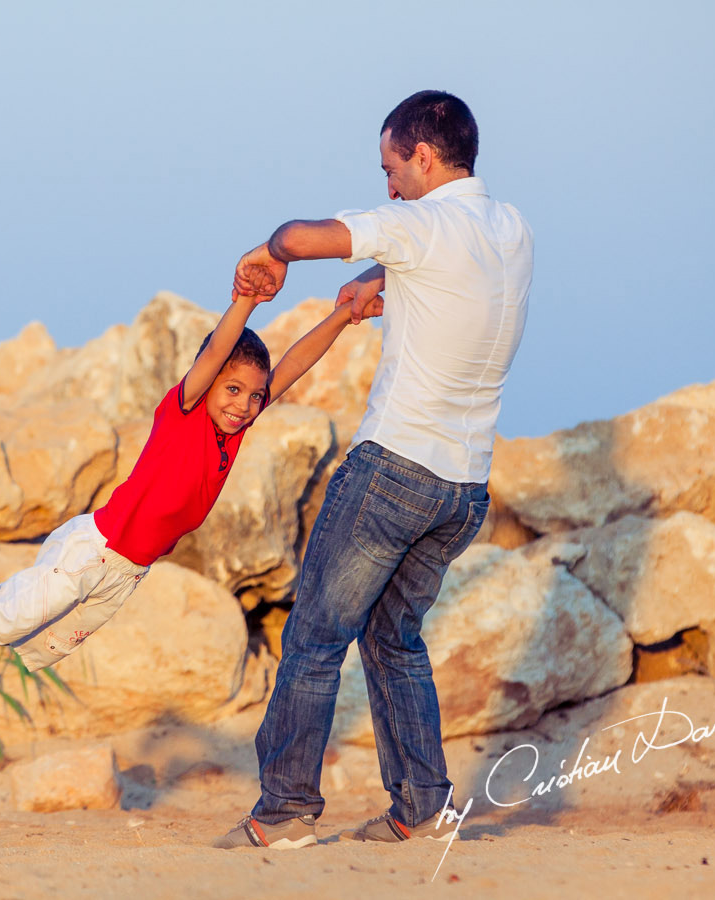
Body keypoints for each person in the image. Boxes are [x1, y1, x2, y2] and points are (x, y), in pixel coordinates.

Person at [214, 90, 534, 850]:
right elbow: (463, 284)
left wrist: (269, 251)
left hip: (393, 468)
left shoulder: (415, 223)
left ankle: (285, 810)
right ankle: (421, 807)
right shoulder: (512, 228)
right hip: (464, 488)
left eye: (391, 166)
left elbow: (302, 235)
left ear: (421, 156)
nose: (388, 184)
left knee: (315, 639)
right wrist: (380, 287)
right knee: (395, 639)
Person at [0, 290, 382, 700]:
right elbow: (219, 350)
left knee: (39, 639)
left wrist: (342, 316)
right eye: (233, 390)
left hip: (126, 571)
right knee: (13, 611)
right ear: (206, 383)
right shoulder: (184, 413)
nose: (244, 405)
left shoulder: (235, 431)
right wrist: (246, 301)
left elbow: (292, 365)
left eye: (254, 396)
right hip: (95, 548)